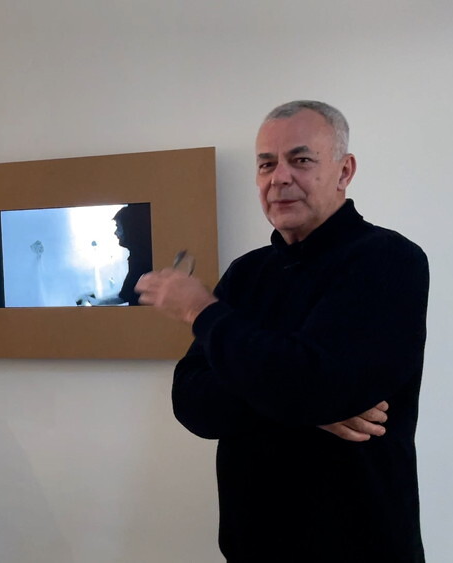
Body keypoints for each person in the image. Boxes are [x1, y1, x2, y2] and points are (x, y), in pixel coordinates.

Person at [136, 101, 428, 562]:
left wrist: (200, 309)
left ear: (344, 171)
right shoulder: (246, 273)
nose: (279, 178)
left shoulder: (388, 260)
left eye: (301, 159)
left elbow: (313, 385)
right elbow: (192, 402)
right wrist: (304, 404)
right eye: (266, 164)